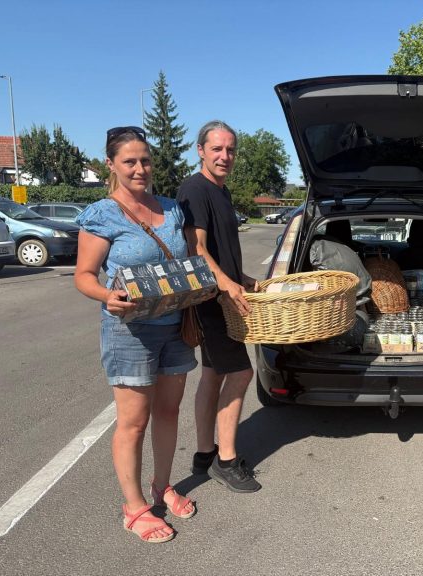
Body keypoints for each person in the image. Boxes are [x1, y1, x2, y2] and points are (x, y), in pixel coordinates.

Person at [74, 126, 197, 543]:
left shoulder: (172, 209)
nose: (139, 168)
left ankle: (162, 486)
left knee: (169, 412)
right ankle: (133, 506)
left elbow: (187, 260)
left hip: (175, 326)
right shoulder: (102, 214)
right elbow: (84, 275)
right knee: (133, 422)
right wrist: (107, 296)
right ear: (111, 164)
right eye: (129, 161)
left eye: (145, 160)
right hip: (129, 331)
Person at [176, 121, 261, 493]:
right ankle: (226, 461)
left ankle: (203, 454)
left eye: (230, 150)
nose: (224, 156)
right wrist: (225, 284)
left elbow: (220, 250)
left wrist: (240, 277)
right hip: (213, 301)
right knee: (241, 373)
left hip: (222, 294)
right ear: (200, 150)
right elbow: (195, 248)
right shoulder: (195, 189)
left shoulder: (221, 191)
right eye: (216, 149)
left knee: (212, 375)